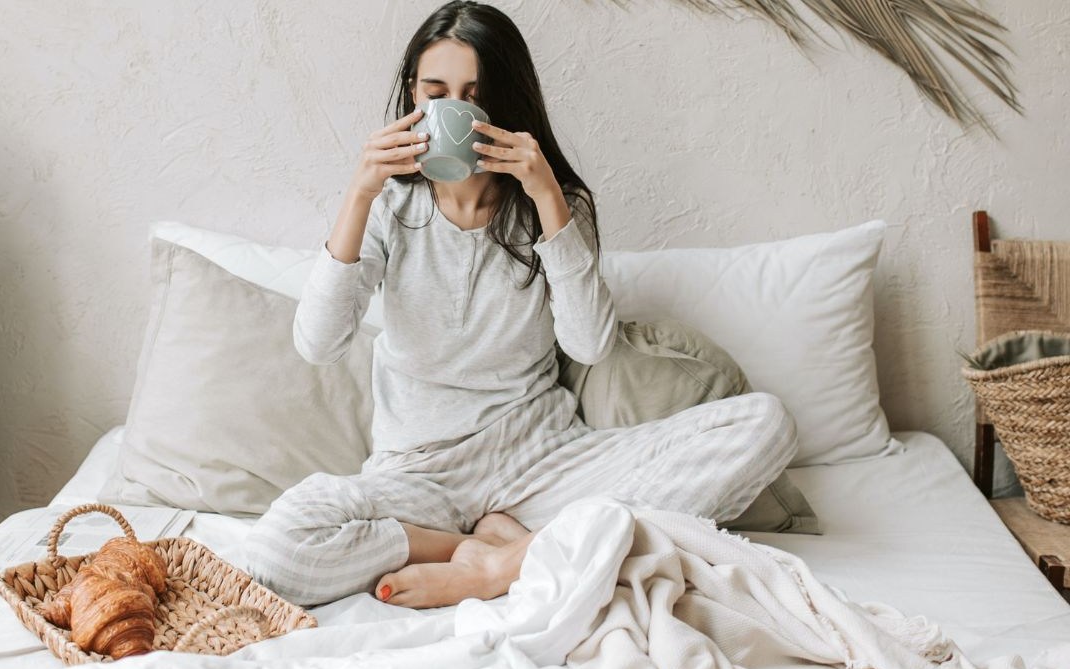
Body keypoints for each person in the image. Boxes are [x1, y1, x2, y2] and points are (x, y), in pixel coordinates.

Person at [245, 1, 796, 609]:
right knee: (278, 552)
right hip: (419, 474)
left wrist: (548, 199)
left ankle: (502, 565)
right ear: (414, 97)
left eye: (474, 95)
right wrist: (358, 194)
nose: (454, 108)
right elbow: (318, 344)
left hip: (543, 459)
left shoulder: (554, 206)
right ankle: (473, 548)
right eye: (437, 91)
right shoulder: (387, 211)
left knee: (766, 422)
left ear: (503, 104)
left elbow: (590, 345)